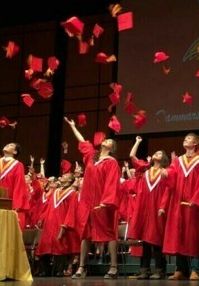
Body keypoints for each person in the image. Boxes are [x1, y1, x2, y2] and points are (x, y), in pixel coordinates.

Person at [64, 116, 121, 279]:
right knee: (85, 233)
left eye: (109, 141)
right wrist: (73, 126)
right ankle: (81, 267)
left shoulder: (111, 162)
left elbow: (112, 183)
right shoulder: (92, 156)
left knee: (109, 233)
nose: (105, 141)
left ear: (111, 148)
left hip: (103, 203)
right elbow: (83, 142)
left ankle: (113, 267)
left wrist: (106, 201)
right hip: (88, 201)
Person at [162, 132, 199, 280]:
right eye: (184, 138)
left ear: (195, 143)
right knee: (178, 234)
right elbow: (172, 174)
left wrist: (197, 199)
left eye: (188, 139)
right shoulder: (178, 160)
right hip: (177, 203)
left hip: (192, 204)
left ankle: (195, 269)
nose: (185, 140)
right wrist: (166, 173)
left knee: (192, 236)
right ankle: (180, 269)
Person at [127, 136, 171, 279]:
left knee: (156, 239)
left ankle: (160, 269)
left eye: (160, 153)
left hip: (158, 208)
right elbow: (132, 156)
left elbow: (167, 191)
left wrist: (163, 206)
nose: (157, 154)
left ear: (163, 159)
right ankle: (144, 269)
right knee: (145, 240)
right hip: (145, 208)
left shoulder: (165, 172)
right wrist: (138, 142)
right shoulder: (145, 170)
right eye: (156, 153)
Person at [34, 172, 80, 276]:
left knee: (60, 246)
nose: (62, 176)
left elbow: (71, 211)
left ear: (69, 180)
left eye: (65, 176)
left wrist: (65, 225)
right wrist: (42, 218)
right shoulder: (55, 192)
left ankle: (59, 270)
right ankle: (45, 271)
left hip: (60, 223)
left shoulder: (72, 194)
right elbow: (47, 206)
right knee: (45, 246)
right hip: (49, 223)